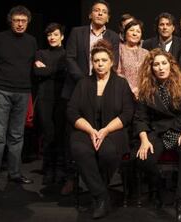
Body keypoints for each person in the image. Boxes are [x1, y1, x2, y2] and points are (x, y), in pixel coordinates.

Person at [67, 39, 134, 219]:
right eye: (96, 61)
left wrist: (104, 131)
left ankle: (98, 193)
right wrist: (90, 130)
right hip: (86, 129)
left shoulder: (121, 83)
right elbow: (72, 111)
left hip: (113, 130)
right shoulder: (83, 83)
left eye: (104, 60)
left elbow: (127, 113)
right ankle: (102, 196)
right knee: (81, 150)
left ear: (111, 62)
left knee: (108, 153)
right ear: (92, 63)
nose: (100, 64)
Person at [60, 0, 119, 195]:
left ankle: (97, 180)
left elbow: (114, 61)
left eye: (104, 12)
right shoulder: (77, 32)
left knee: (99, 135)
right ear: (90, 14)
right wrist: (85, 81)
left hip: (102, 91)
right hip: (78, 87)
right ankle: (71, 178)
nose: (100, 14)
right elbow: (69, 58)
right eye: (96, 10)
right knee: (73, 136)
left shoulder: (112, 36)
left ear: (108, 17)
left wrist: (97, 82)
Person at [134, 48, 181, 222]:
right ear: (151, 68)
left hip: (179, 131)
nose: (161, 67)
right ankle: (159, 186)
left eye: (164, 63)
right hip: (158, 132)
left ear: (170, 65)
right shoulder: (146, 88)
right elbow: (140, 118)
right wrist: (144, 139)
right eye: (156, 64)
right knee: (144, 160)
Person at [0, 5, 37, 192]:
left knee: (17, 136)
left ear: (28, 22)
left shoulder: (31, 41)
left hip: (23, 92)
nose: (20, 24)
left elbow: (33, 66)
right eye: (17, 20)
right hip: (2, 91)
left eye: (23, 21)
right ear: (11, 21)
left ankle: (14, 173)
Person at [34, 23, 67, 185]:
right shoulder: (41, 53)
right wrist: (56, 69)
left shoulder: (67, 55)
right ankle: (48, 169)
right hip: (44, 99)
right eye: (49, 35)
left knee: (60, 135)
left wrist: (48, 69)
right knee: (48, 134)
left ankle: (60, 169)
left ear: (62, 36)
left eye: (55, 34)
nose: (52, 38)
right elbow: (37, 72)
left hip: (61, 99)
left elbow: (65, 72)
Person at [116, 19, 148, 99]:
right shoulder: (119, 49)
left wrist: (140, 89)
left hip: (143, 94)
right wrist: (131, 88)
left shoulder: (146, 53)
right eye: (131, 30)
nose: (135, 34)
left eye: (138, 31)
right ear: (125, 33)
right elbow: (117, 72)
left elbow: (148, 75)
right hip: (122, 93)